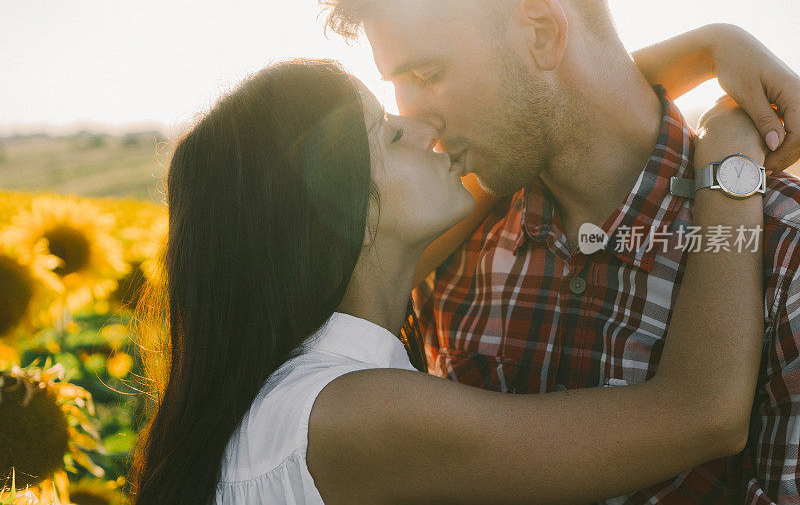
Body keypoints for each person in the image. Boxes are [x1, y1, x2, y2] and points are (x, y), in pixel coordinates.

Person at [129, 55, 776, 504]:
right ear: (345, 217)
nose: (425, 126)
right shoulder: (355, 414)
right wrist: (728, 165)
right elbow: (704, 413)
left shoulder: (292, 392)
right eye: (385, 135)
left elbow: (542, 124)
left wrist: (710, 45)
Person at [318, 0, 800, 502]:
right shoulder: (445, 241)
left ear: (542, 31)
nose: (413, 118)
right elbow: (702, 408)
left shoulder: (784, 254)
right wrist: (711, 53)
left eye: (428, 74)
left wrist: (713, 50)